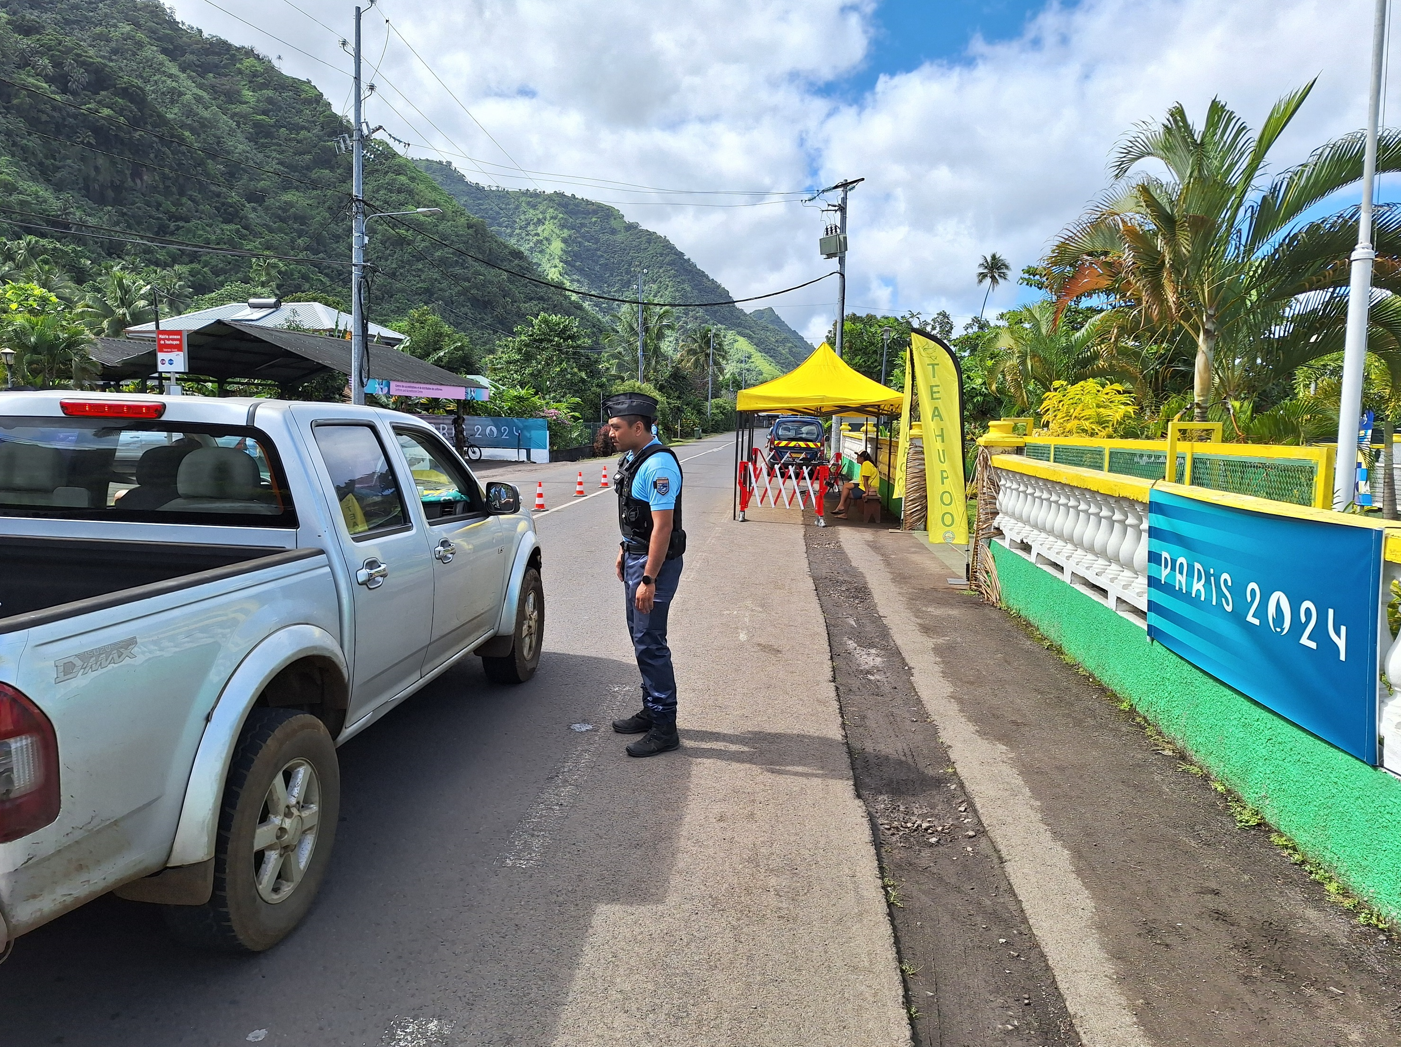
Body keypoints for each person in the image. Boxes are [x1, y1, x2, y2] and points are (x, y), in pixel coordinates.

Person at [605, 392, 687, 757]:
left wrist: (649, 579)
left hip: (654, 565)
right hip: (637, 556)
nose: (610, 433)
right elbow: (635, 518)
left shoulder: (658, 466)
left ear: (638, 427)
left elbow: (662, 527)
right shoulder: (633, 458)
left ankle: (665, 727)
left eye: (616, 427)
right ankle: (652, 711)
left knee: (651, 643)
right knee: (641, 638)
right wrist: (624, 549)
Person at [830, 451, 861, 517]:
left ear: (862, 458)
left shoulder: (866, 465)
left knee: (846, 489)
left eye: (858, 457)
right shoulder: (864, 465)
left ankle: (841, 506)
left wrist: (867, 491)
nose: (857, 458)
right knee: (846, 489)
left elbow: (866, 480)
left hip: (864, 486)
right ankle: (842, 510)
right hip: (862, 484)